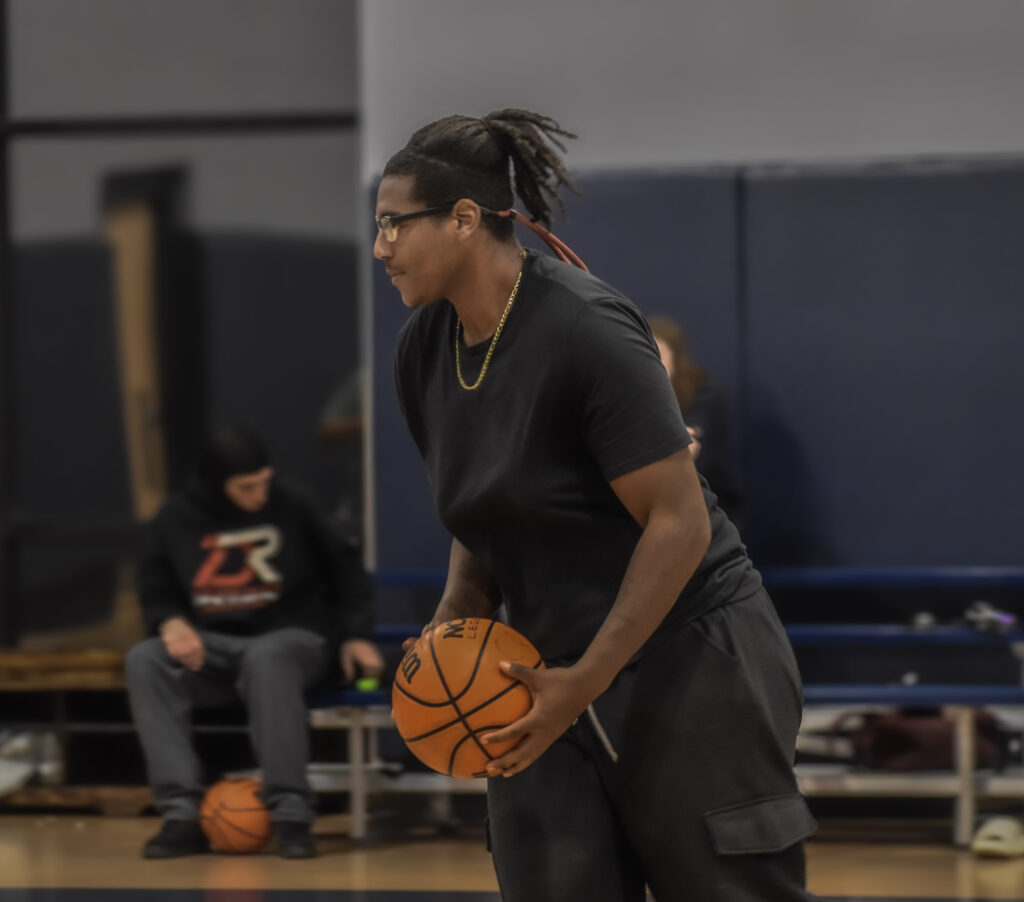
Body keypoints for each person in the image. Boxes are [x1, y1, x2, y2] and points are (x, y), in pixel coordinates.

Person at [376, 109, 816, 901]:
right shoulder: (421, 351)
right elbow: (484, 508)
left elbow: (677, 523)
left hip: (689, 657)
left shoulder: (586, 328)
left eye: (393, 226)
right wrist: (457, 611)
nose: (381, 248)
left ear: (465, 220)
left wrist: (587, 678)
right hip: (539, 669)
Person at [124, 424, 384, 859]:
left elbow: (345, 570)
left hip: (294, 639)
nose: (260, 494)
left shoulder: (293, 502)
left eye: (264, 481)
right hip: (216, 647)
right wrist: (169, 621)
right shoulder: (174, 520)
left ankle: (291, 812)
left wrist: (356, 635)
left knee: (268, 656)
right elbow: (156, 589)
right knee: (145, 660)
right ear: (215, 485)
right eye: (247, 487)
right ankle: (181, 814)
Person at [648, 315, 745, 528]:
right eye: (645, 356)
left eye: (659, 355)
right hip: (655, 509)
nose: (652, 364)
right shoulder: (633, 396)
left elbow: (688, 449)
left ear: (676, 357)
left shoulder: (705, 393)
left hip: (710, 507)